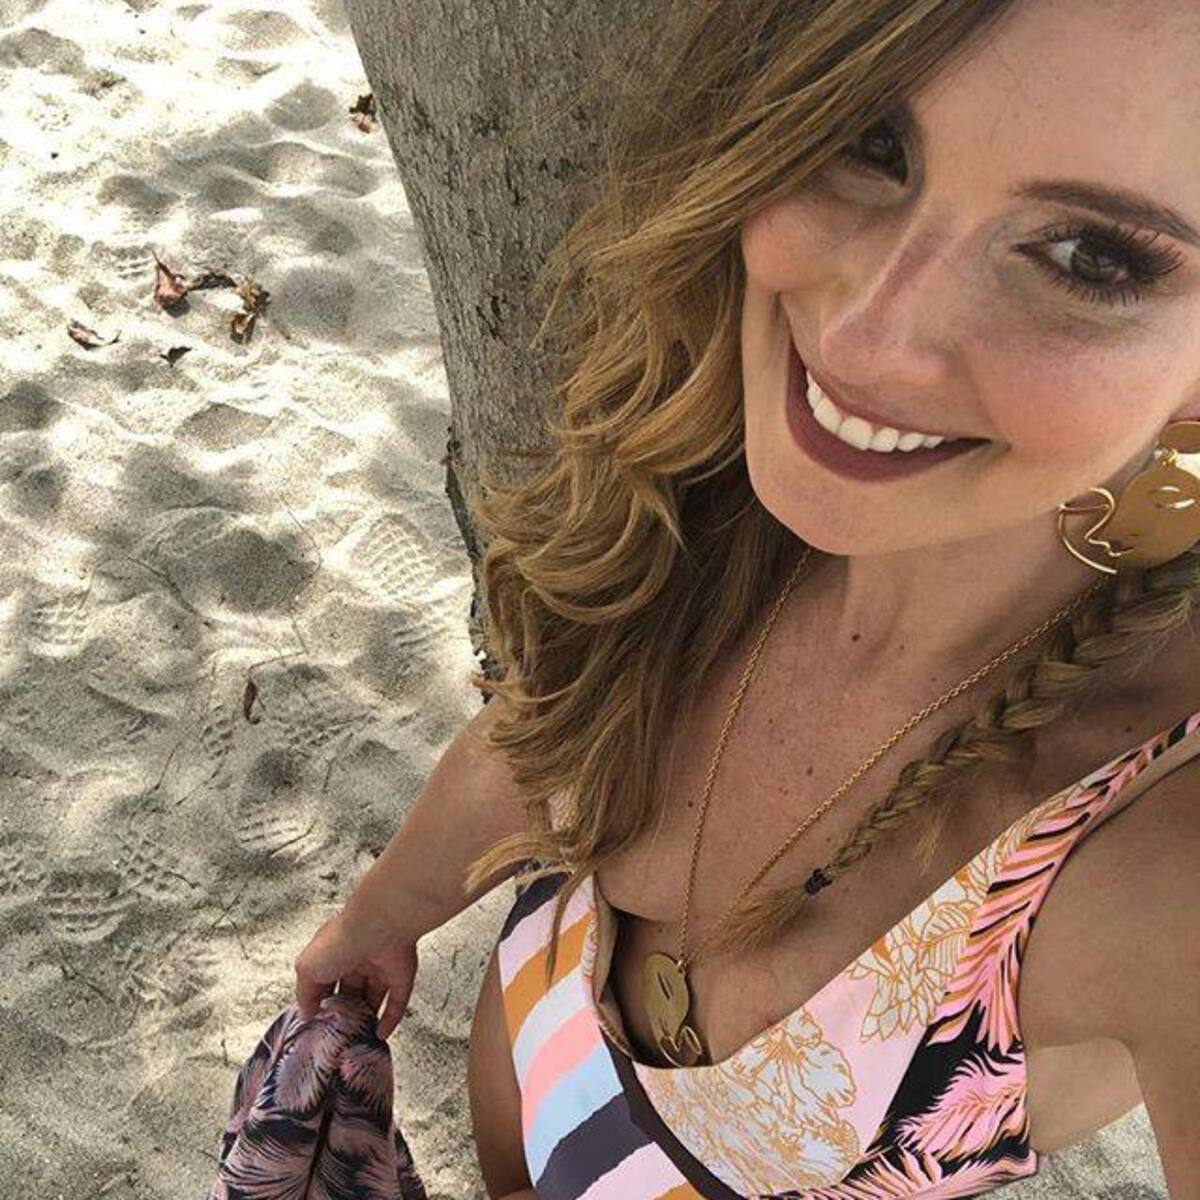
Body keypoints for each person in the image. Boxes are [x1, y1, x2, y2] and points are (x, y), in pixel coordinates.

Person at [288, 1, 1200, 1197]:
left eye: (1091, 257)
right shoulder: (705, 461)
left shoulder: (1161, 850)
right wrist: (382, 915)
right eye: (874, 142)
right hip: (531, 1048)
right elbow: (545, 733)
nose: (863, 340)